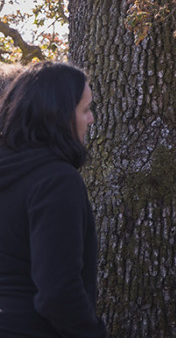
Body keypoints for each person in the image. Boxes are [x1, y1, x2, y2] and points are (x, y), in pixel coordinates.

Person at [0, 61, 107, 337]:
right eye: (85, 109)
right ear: (59, 116)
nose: (91, 119)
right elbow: (58, 292)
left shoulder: (10, 169)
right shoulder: (56, 181)